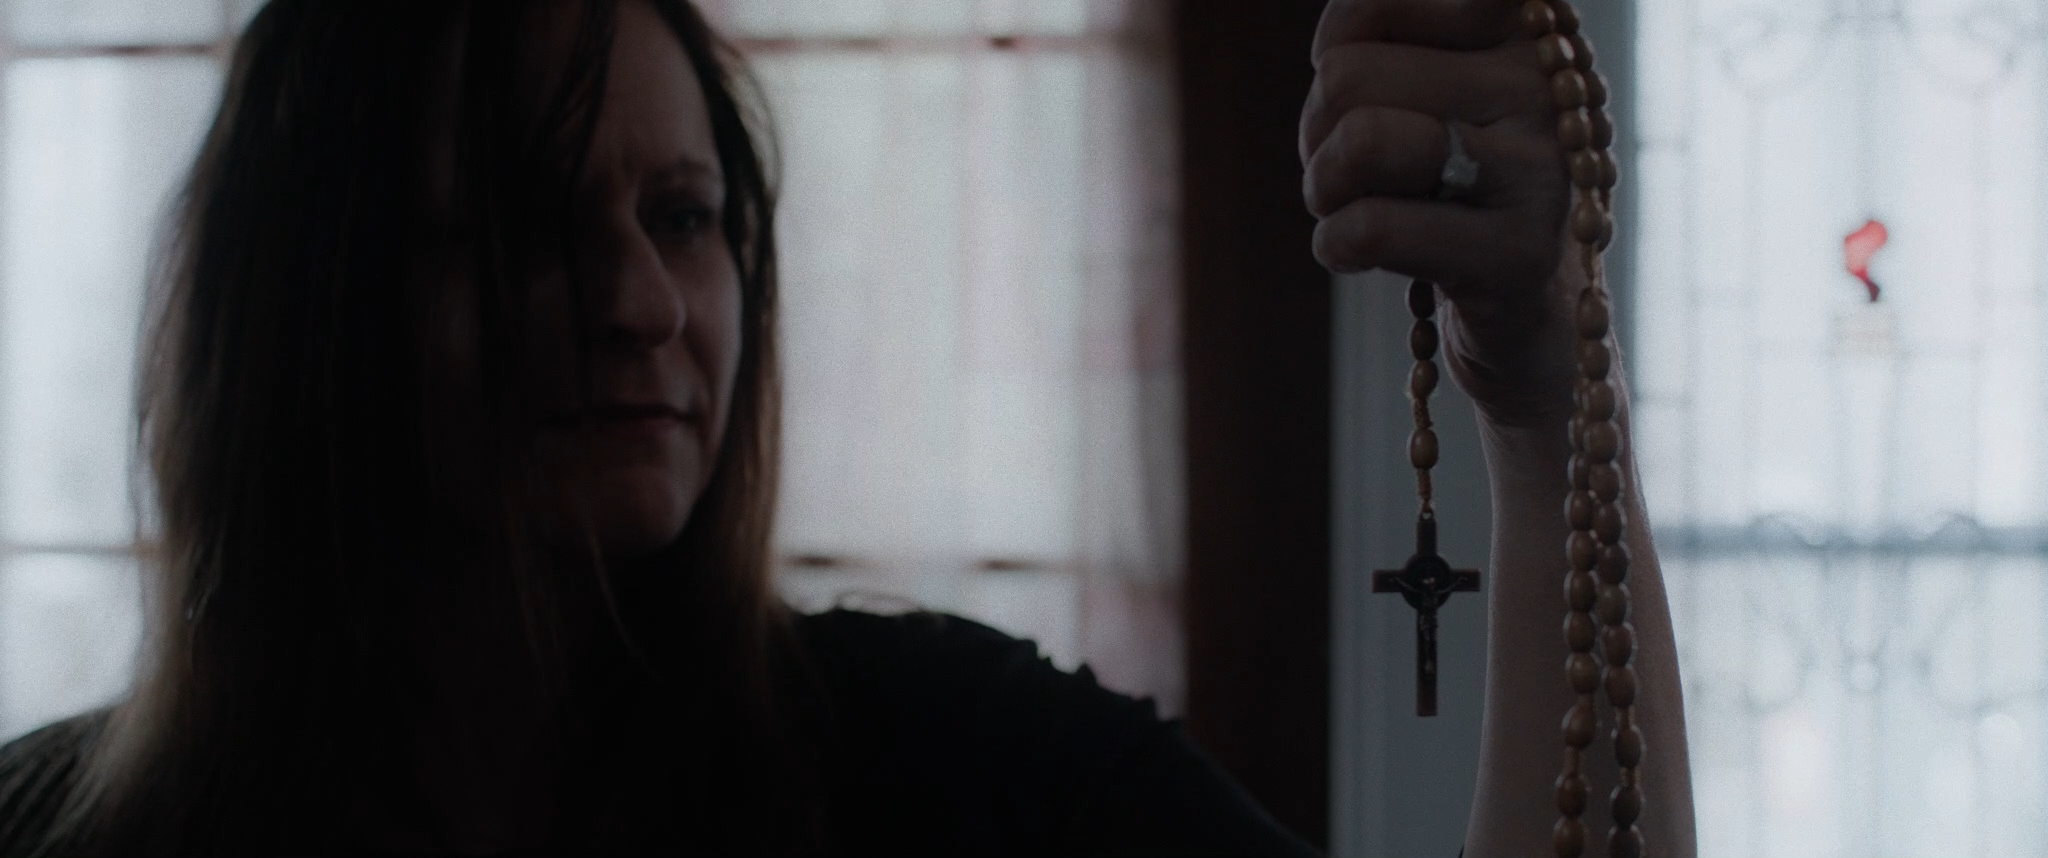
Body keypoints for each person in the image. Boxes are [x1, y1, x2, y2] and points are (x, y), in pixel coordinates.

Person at [0, 0, 1694, 855]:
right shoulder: (58, 828)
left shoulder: (954, 769)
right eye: (525, 217)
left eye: (682, 215)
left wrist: (1544, 390)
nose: (645, 302)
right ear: (307, 291)